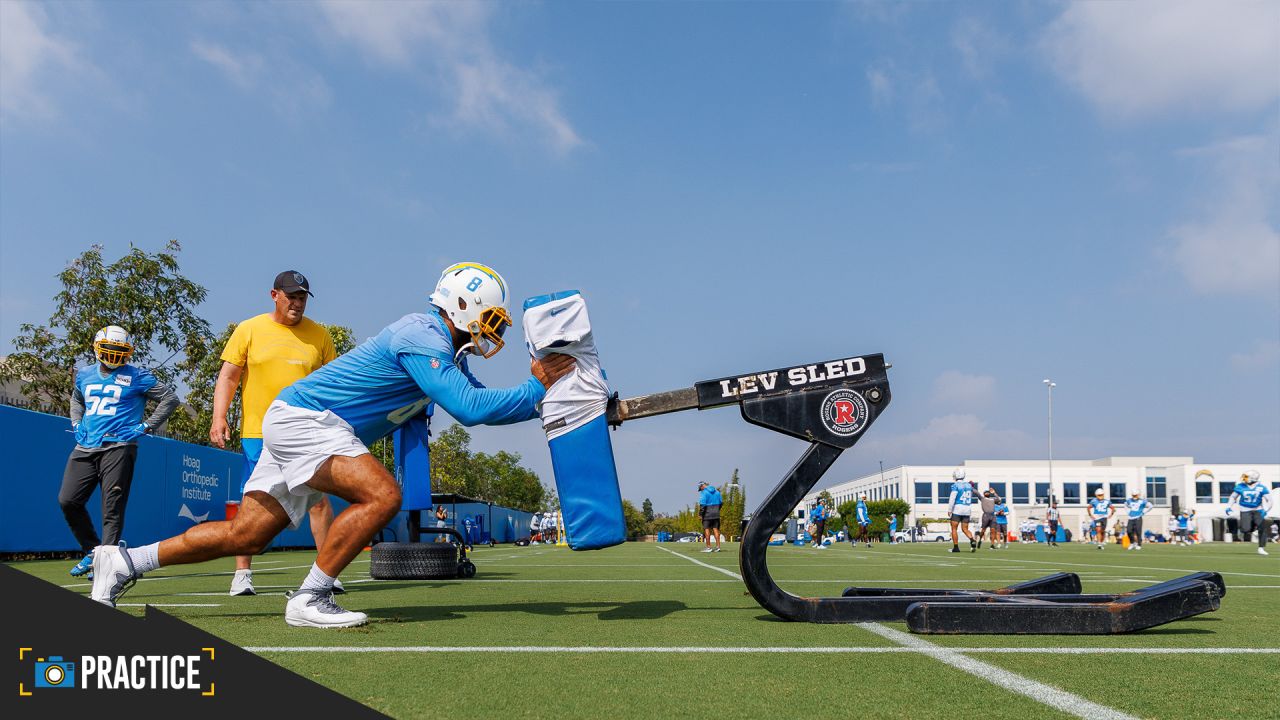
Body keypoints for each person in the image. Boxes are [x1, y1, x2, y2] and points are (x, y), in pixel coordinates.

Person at [91, 262, 576, 627]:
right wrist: (540, 388)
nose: (493, 328)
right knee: (382, 494)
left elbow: (482, 402)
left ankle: (126, 562)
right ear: (463, 307)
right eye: (489, 315)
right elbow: (472, 410)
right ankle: (310, 598)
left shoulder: (440, 346)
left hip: (301, 421)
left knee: (247, 536)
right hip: (309, 420)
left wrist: (549, 400)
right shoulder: (423, 335)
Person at [211, 270, 341, 597]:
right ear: (274, 295)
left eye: (302, 298)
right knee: (254, 501)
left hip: (307, 432)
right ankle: (242, 575)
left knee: (318, 501)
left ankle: (326, 573)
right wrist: (219, 417)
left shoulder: (320, 336)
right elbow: (228, 377)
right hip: (259, 432)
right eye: (291, 296)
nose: (297, 303)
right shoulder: (249, 329)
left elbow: (333, 386)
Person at [63, 326, 179, 580]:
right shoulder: (84, 375)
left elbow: (170, 398)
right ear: (98, 348)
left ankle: (107, 568)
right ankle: (93, 552)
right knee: (68, 500)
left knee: (111, 507)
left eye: (120, 351)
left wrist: (146, 426)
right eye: (110, 349)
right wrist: (76, 423)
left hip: (119, 446)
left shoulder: (138, 375)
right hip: (86, 446)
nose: (114, 355)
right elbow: (77, 399)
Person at [1227, 469, 1272, 556]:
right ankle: (1254, 527)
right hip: (1245, 510)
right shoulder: (1240, 486)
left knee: (1263, 528)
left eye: (1246, 477)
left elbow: (1270, 500)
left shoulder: (1261, 487)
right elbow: (1233, 497)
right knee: (1246, 529)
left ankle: (1261, 548)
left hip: (1257, 509)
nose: (1244, 478)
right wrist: (1229, 506)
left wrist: (1265, 510)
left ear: (1252, 478)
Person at [946, 469, 978, 553]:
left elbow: (952, 498)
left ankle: (956, 547)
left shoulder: (955, 485)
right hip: (967, 508)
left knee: (954, 528)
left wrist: (949, 509)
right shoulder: (969, 485)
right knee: (965, 529)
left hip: (958, 508)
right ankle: (972, 540)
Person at [698, 481, 723, 552]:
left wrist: (700, 514)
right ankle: (718, 547)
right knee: (716, 529)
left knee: (707, 529)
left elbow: (703, 505)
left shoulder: (704, 493)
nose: (701, 490)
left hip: (707, 514)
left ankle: (708, 547)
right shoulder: (717, 492)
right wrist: (717, 510)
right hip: (716, 513)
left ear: (702, 486)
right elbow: (721, 503)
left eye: (700, 488)